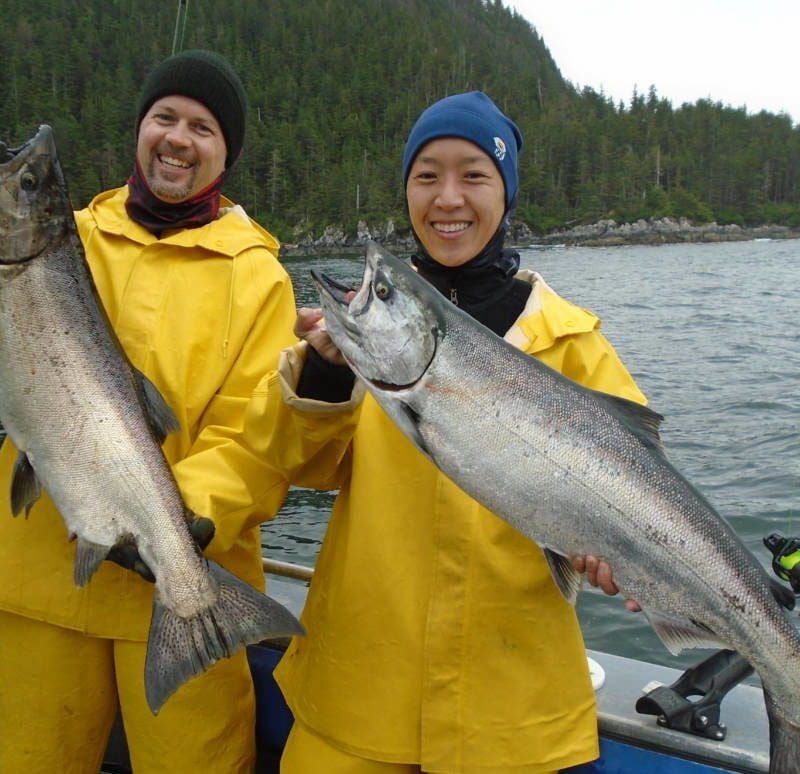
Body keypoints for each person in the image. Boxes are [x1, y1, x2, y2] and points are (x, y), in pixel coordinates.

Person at [245, 91, 647, 773]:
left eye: (474, 175)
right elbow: (292, 467)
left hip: (512, 715)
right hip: (357, 692)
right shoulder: (363, 336)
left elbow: (643, 492)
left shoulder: (574, 343)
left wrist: (616, 554)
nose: (448, 198)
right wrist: (321, 377)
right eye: (426, 176)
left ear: (507, 192)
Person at [0, 50, 297, 773]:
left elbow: (258, 438)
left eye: (202, 127)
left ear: (225, 154)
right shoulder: (66, 240)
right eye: (164, 117)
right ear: (139, 129)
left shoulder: (259, 278)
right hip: (35, 588)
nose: (177, 137)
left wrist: (179, 517)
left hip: (182, 587)